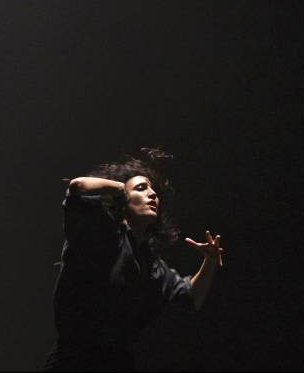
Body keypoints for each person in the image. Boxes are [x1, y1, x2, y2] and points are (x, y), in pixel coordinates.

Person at [44, 148, 226, 371]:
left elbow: (191, 297)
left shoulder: (151, 265)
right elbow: (77, 187)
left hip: (117, 362)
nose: (153, 195)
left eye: (154, 192)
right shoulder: (102, 233)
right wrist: (121, 187)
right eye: (142, 188)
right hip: (73, 361)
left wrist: (210, 261)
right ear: (122, 200)